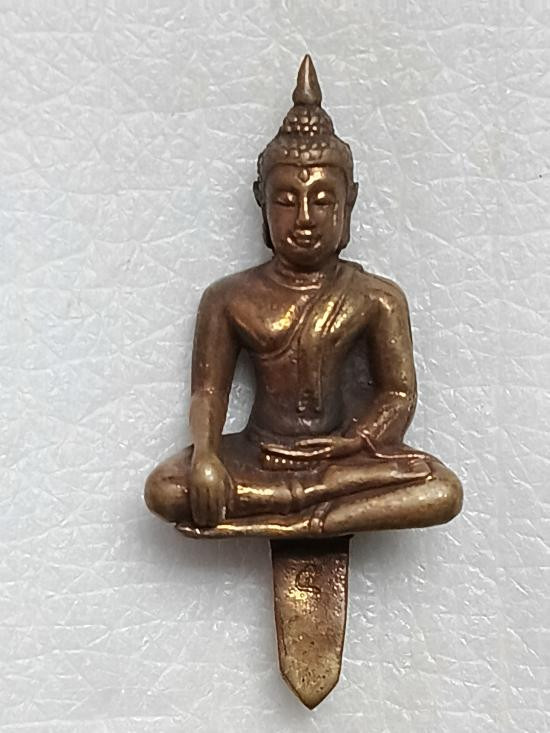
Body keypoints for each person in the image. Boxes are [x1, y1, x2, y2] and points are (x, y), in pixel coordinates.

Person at [144, 56, 462, 539]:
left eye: (323, 200)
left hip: (344, 461)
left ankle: (298, 517)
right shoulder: (229, 298)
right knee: (165, 489)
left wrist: (352, 443)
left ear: (349, 201)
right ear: (262, 200)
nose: (306, 218)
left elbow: (398, 394)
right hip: (259, 456)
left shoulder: (376, 298)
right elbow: (209, 392)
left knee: (443, 490)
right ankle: (310, 510)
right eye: (287, 201)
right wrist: (207, 455)